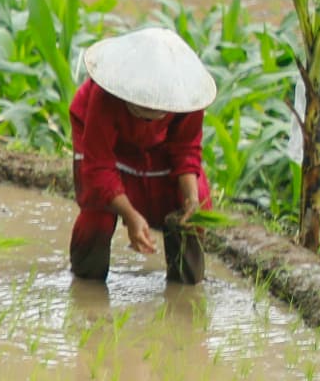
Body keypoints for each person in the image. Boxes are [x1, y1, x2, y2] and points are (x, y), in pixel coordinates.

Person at [69, 27, 215, 284]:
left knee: (195, 209)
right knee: (97, 217)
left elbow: (186, 151)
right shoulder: (104, 95)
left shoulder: (186, 99)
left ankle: (186, 285)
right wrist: (130, 214)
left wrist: (192, 200)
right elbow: (99, 166)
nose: (151, 112)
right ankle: (87, 285)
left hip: (158, 155)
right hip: (112, 153)